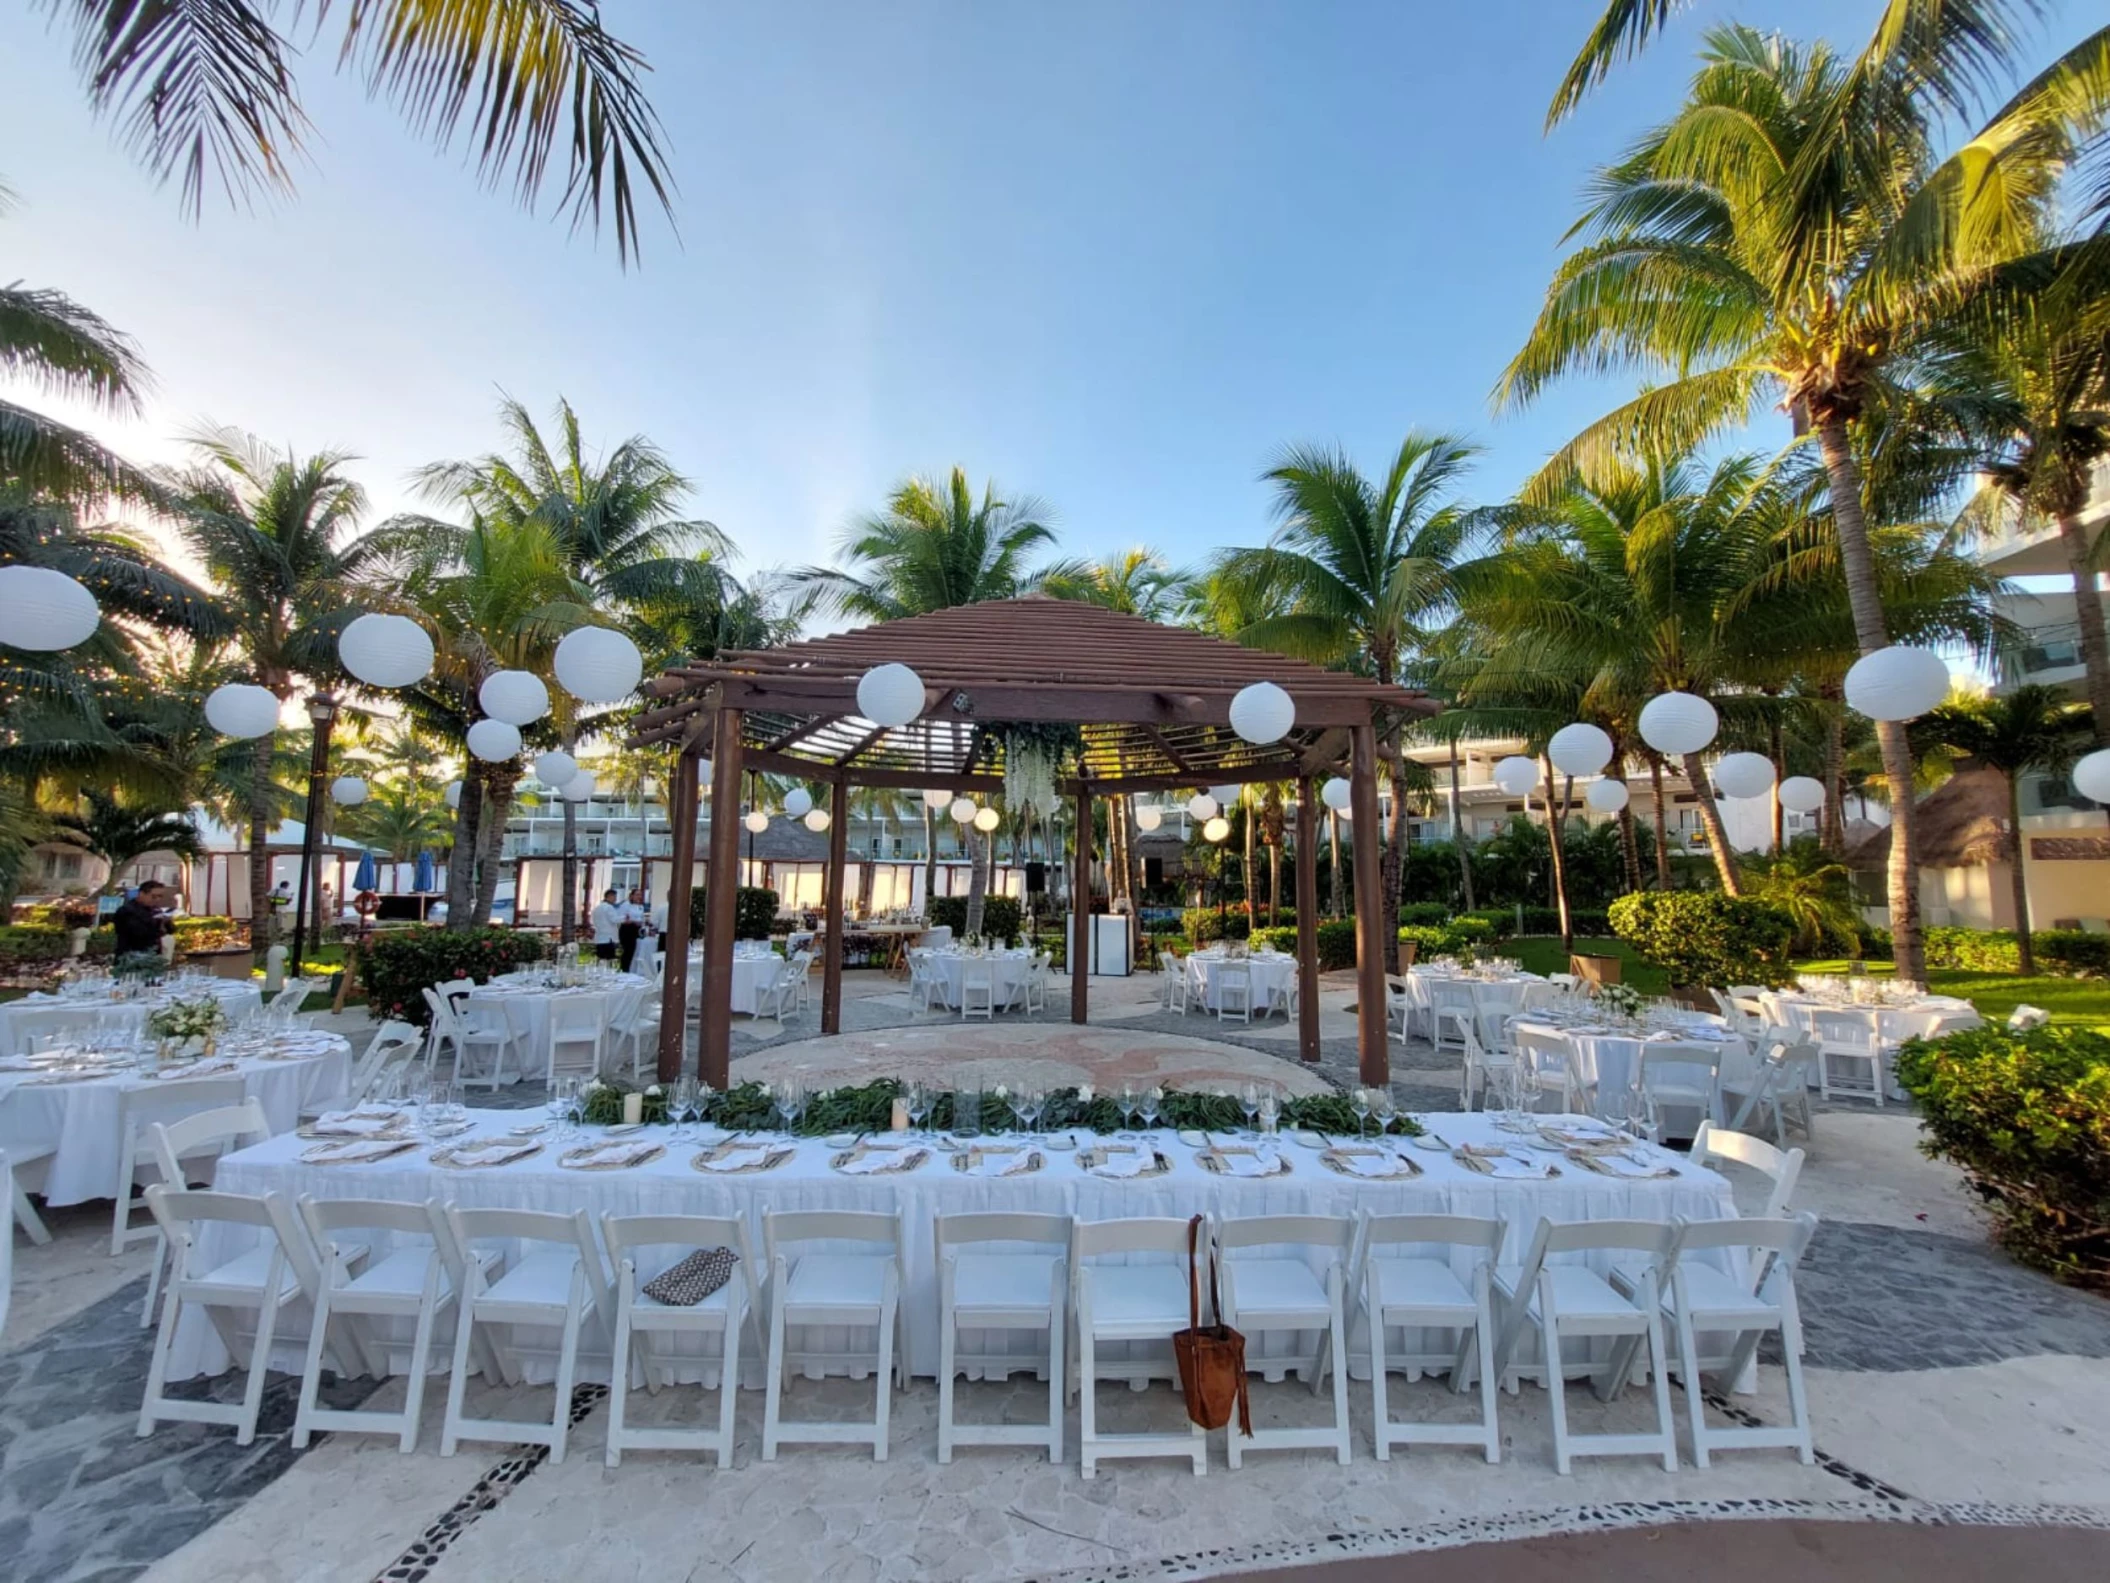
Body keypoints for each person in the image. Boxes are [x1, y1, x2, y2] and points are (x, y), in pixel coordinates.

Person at [113, 881, 172, 958]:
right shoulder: (127, 911)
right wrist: (160, 928)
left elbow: (171, 930)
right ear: (141, 894)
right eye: (153, 896)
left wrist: (167, 922)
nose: (157, 899)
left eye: (160, 896)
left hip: (152, 955)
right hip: (131, 956)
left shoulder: (155, 909)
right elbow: (138, 934)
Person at [618, 886, 647, 972]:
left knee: (636, 950)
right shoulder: (625, 905)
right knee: (628, 951)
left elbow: (641, 918)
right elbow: (621, 917)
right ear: (631, 896)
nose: (639, 897)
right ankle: (624, 969)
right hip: (627, 929)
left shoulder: (640, 906)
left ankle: (633, 969)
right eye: (637, 895)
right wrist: (632, 921)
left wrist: (644, 922)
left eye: (640, 895)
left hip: (637, 930)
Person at [590, 888, 623, 962]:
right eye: (614, 897)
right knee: (608, 960)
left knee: (601, 959)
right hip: (608, 938)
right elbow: (614, 919)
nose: (615, 899)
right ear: (609, 896)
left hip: (599, 938)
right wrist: (625, 918)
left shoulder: (597, 908)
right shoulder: (609, 907)